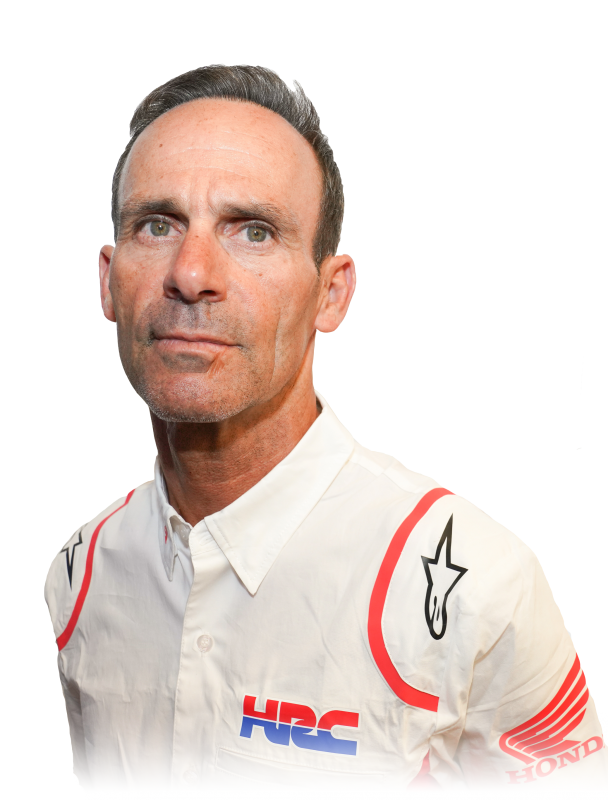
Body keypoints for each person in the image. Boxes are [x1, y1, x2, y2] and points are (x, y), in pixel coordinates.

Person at [44, 65, 606, 798]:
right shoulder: (77, 577)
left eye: (253, 231)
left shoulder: (477, 585)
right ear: (107, 281)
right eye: (157, 224)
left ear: (330, 294)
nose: (191, 273)